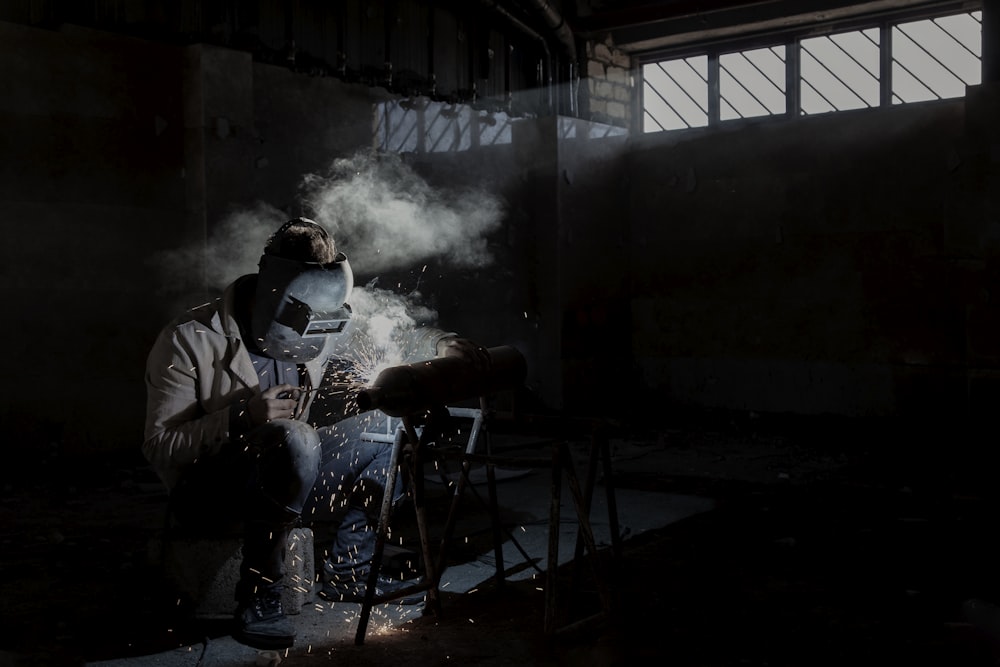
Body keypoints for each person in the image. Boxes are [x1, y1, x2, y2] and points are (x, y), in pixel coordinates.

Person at [143, 217, 485, 650]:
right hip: (211, 491)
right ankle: (260, 592)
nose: (313, 336)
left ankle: (349, 568)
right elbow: (159, 446)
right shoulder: (189, 339)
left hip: (289, 474)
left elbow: (398, 334)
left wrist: (444, 343)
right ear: (273, 296)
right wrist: (241, 417)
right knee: (294, 437)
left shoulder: (323, 318)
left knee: (388, 423)